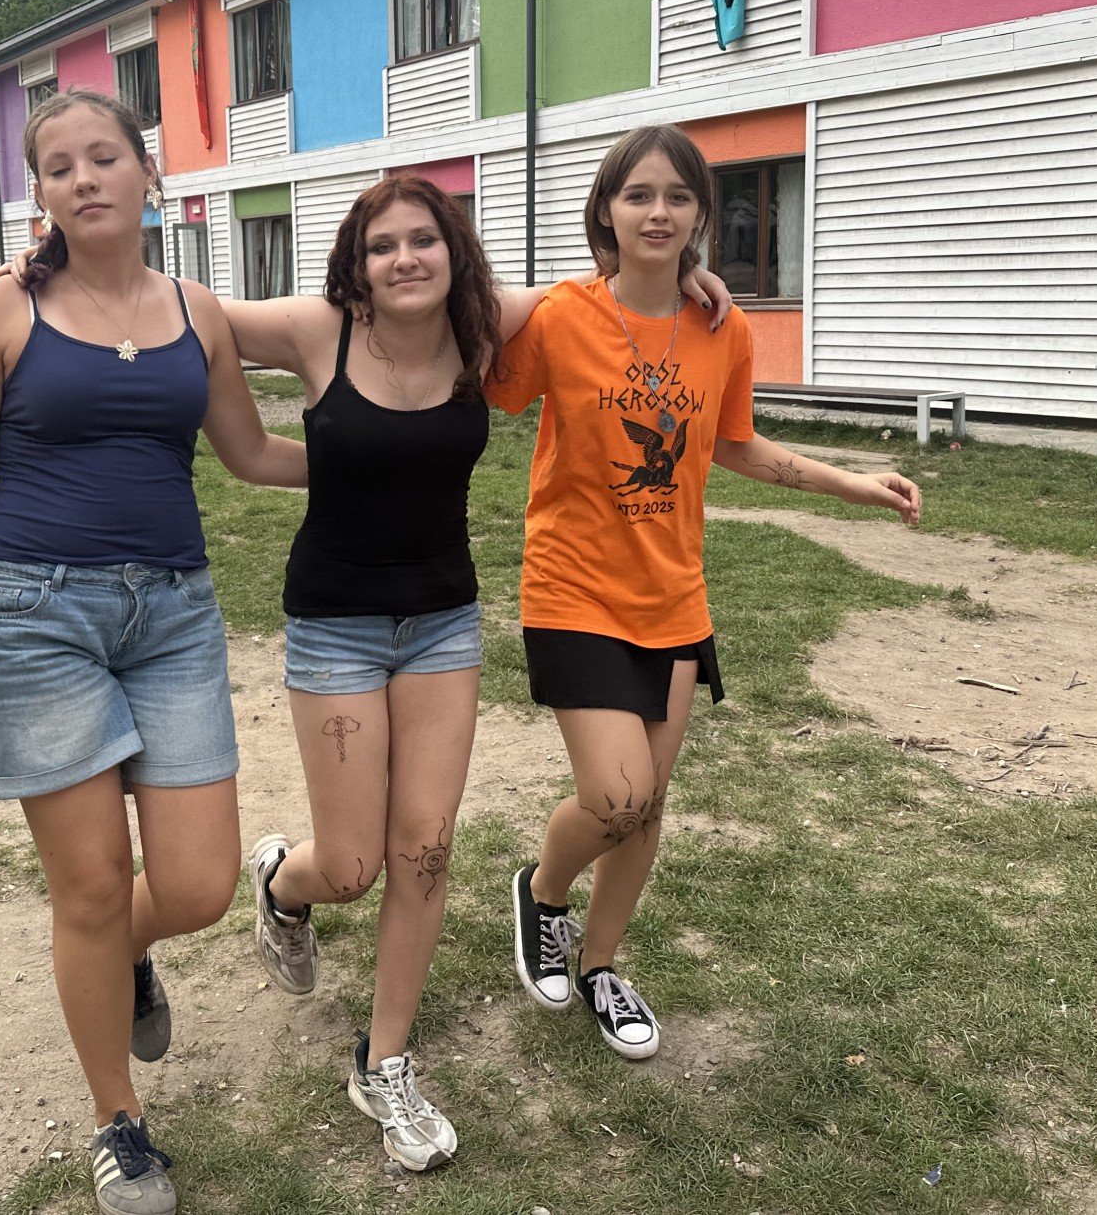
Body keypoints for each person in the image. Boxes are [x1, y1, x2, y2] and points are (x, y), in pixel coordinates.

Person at [214, 176, 727, 1171]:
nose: (403, 259)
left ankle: (384, 1062)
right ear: (356, 264)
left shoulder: (479, 324)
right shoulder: (318, 330)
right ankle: (282, 881)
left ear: (453, 253)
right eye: (381, 246)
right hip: (334, 628)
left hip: (442, 627)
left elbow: (606, 287)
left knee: (425, 851)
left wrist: (690, 277)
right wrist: (53, 268)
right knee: (351, 866)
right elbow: (188, 315)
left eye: (423, 240)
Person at [0, 89, 306, 1215]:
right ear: (40, 193)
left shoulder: (197, 312)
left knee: (198, 885)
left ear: (146, 174)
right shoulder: (0, 310)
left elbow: (252, 453)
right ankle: (117, 1119)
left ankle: (120, 957)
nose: (84, 178)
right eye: (60, 166)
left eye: (105, 157)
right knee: (87, 888)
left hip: (171, 614)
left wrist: (377, 461)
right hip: (35, 616)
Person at [493, 124, 920, 1061]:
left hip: (673, 598)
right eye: (638, 195)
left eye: (678, 197)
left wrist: (852, 484)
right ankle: (543, 891)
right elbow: (478, 357)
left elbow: (736, 445)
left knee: (648, 806)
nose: (658, 212)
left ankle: (601, 965)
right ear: (606, 210)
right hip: (571, 589)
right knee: (616, 795)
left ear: (701, 216)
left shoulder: (724, 327)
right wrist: (561, 288)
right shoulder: (561, 316)